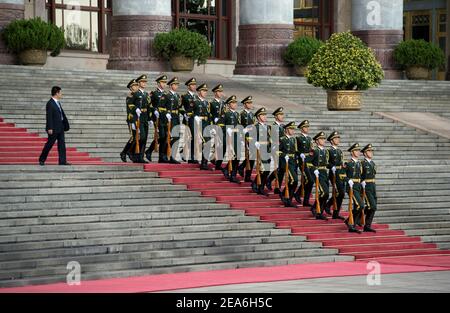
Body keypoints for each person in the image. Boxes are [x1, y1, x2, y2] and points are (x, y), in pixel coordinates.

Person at [39, 86, 70, 166]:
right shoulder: (50, 103)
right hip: (53, 128)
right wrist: (49, 127)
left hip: (61, 127)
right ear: (57, 93)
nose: (61, 94)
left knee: (62, 145)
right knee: (49, 144)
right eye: (60, 92)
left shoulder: (58, 102)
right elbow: (49, 116)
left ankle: (62, 161)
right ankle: (42, 159)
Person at [251, 107, 271, 196]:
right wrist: (255, 143)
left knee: (266, 170)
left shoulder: (268, 127)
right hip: (260, 150)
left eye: (265, 115)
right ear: (258, 117)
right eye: (263, 115)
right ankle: (260, 186)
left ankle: (257, 184)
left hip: (267, 150)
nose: (264, 116)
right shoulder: (255, 127)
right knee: (264, 169)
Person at [325, 131, 346, 220]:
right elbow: (326, 163)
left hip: (340, 173)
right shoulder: (328, 151)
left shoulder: (340, 151)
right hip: (333, 173)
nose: (338, 140)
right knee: (339, 192)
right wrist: (331, 167)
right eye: (336, 138)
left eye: (338, 138)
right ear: (331, 140)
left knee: (341, 193)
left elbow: (341, 162)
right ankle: (328, 205)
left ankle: (335, 212)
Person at [278, 122, 299, 208]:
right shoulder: (282, 139)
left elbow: (295, 151)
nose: (292, 130)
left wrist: (297, 159)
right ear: (286, 129)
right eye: (291, 129)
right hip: (286, 162)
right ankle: (287, 197)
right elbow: (276, 151)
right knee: (294, 180)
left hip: (293, 162)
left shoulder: (293, 139)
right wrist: (283, 155)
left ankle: (287, 197)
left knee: (294, 181)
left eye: (293, 129)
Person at [345, 143, 364, 234]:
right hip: (351, 187)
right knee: (360, 205)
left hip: (358, 186)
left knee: (358, 206)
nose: (358, 152)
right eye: (356, 150)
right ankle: (351, 223)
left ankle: (351, 222)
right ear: (352, 152)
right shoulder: (348, 163)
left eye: (359, 150)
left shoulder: (359, 164)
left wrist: (362, 181)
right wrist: (348, 180)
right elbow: (341, 174)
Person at [164, 77, 183, 164]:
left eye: (177, 85)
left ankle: (172, 156)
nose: (176, 86)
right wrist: (166, 113)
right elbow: (161, 107)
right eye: (175, 84)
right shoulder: (166, 95)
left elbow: (179, 107)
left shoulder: (177, 96)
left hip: (176, 117)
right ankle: (166, 154)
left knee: (177, 137)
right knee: (171, 137)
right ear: (171, 85)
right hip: (169, 117)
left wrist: (184, 113)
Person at [310, 132, 329, 221]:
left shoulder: (325, 151)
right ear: (317, 141)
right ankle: (317, 210)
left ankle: (317, 209)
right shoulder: (314, 151)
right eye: (321, 139)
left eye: (324, 139)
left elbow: (327, 163)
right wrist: (314, 169)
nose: (323, 140)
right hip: (318, 174)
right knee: (324, 192)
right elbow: (308, 162)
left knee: (326, 194)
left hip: (324, 173)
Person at [120, 79, 140, 163]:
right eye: (134, 86)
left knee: (137, 137)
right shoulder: (130, 96)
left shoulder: (137, 95)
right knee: (133, 137)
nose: (136, 87)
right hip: (131, 119)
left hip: (137, 119)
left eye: (136, 85)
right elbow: (131, 106)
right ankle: (124, 152)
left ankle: (130, 152)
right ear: (131, 88)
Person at [222, 95, 241, 183]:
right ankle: (232, 175)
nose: (234, 104)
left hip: (236, 136)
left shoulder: (237, 114)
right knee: (233, 155)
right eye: (232, 103)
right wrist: (226, 129)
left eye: (235, 103)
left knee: (238, 156)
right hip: (229, 136)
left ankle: (228, 170)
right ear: (229, 104)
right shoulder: (226, 113)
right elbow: (220, 125)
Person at [133, 74, 151, 163]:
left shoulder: (146, 94)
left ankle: (140, 157)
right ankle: (135, 154)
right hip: (138, 117)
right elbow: (130, 104)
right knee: (142, 137)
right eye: (142, 82)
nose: (144, 83)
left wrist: (150, 118)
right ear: (139, 83)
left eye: (145, 82)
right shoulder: (135, 93)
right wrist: (135, 108)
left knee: (145, 138)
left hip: (145, 117)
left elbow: (149, 106)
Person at [295, 120, 314, 206]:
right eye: (305, 127)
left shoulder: (310, 139)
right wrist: (300, 154)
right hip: (302, 162)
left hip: (309, 162)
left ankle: (306, 201)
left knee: (310, 181)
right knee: (309, 180)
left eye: (308, 127)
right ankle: (298, 194)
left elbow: (311, 150)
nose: (307, 128)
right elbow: (295, 150)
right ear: (301, 129)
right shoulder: (298, 138)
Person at [193, 83, 212, 170]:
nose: (205, 92)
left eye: (205, 91)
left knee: (208, 143)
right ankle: (203, 163)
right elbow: (189, 112)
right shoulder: (195, 101)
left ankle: (204, 163)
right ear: (199, 91)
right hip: (198, 125)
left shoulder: (207, 103)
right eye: (203, 91)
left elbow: (209, 115)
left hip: (206, 125)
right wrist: (195, 117)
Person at [267, 107, 285, 194]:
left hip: (282, 150)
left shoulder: (283, 127)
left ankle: (276, 185)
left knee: (282, 169)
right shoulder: (272, 126)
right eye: (280, 114)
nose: (282, 116)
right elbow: (270, 139)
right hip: (276, 149)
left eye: (282, 114)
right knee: (280, 167)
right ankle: (271, 182)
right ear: (276, 116)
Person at [238, 96, 255, 182]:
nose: (250, 104)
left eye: (251, 103)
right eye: (249, 103)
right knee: (250, 155)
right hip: (246, 137)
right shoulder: (241, 114)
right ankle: (244, 170)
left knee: (252, 156)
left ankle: (245, 171)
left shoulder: (252, 115)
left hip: (252, 138)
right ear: (244, 104)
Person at [181, 78, 198, 164]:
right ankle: (185, 153)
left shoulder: (196, 97)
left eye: (195, 85)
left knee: (194, 139)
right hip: (188, 120)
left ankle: (192, 157)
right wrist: (184, 113)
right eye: (192, 85)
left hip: (195, 120)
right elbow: (179, 107)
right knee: (188, 138)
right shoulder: (184, 96)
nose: (194, 86)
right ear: (188, 86)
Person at [361, 144, 377, 233]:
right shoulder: (362, 164)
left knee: (373, 207)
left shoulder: (372, 163)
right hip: (366, 186)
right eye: (369, 151)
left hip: (373, 186)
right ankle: (359, 220)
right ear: (365, 153)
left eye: (371, 151)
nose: (371, 153)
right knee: (372, 205)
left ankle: (367, 225)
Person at [210, 84, 226, 170]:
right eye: (219, 92)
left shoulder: (223, 103)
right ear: (215, 93)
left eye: (221, 91)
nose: (220, 93)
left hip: (223, 127)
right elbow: (210, 115)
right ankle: (214, 158)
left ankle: (217, 160)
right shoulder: (212, 103)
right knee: (218, 143)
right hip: (216, 126)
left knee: (222, 144)